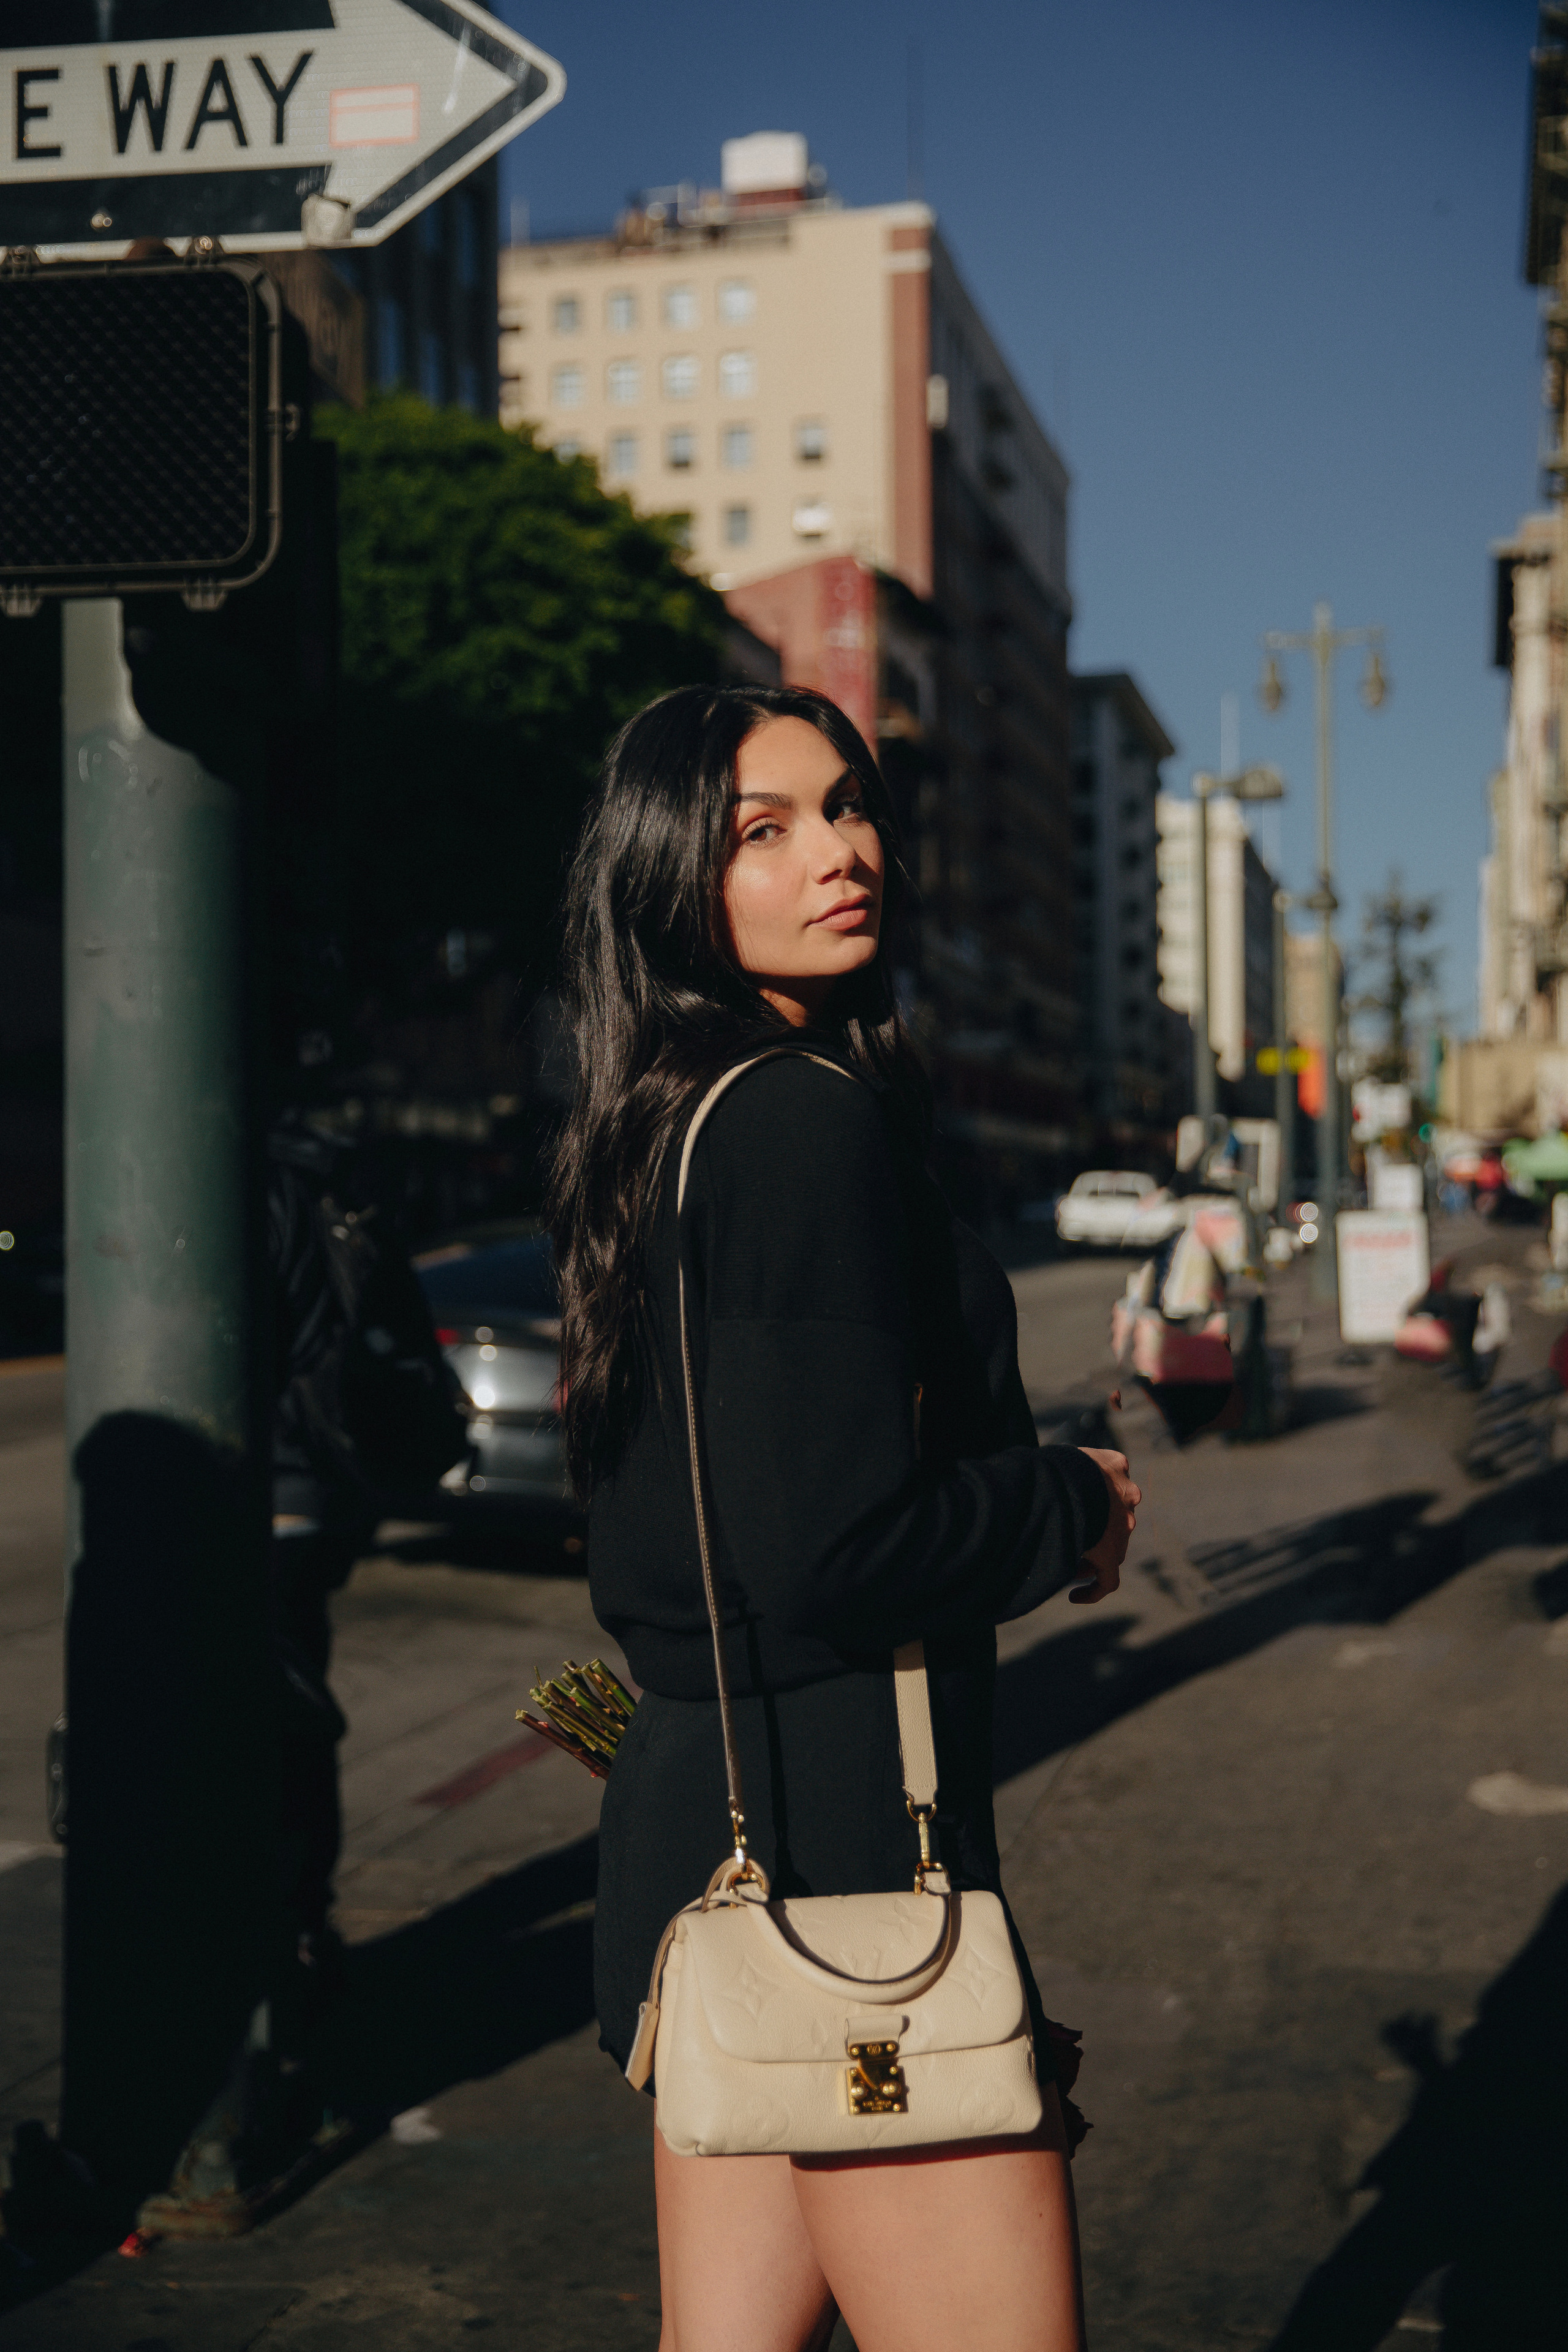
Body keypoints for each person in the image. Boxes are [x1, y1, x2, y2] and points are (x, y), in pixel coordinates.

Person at [547, 684, 1139, 2352]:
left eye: (852, 804)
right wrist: (1062, 1503)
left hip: (708, 1844)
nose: (845, 851)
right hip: (848, 1868)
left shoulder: (663, 1119)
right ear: (675, 875)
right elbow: (833, 1546)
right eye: (769, 828)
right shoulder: (803, 1121)